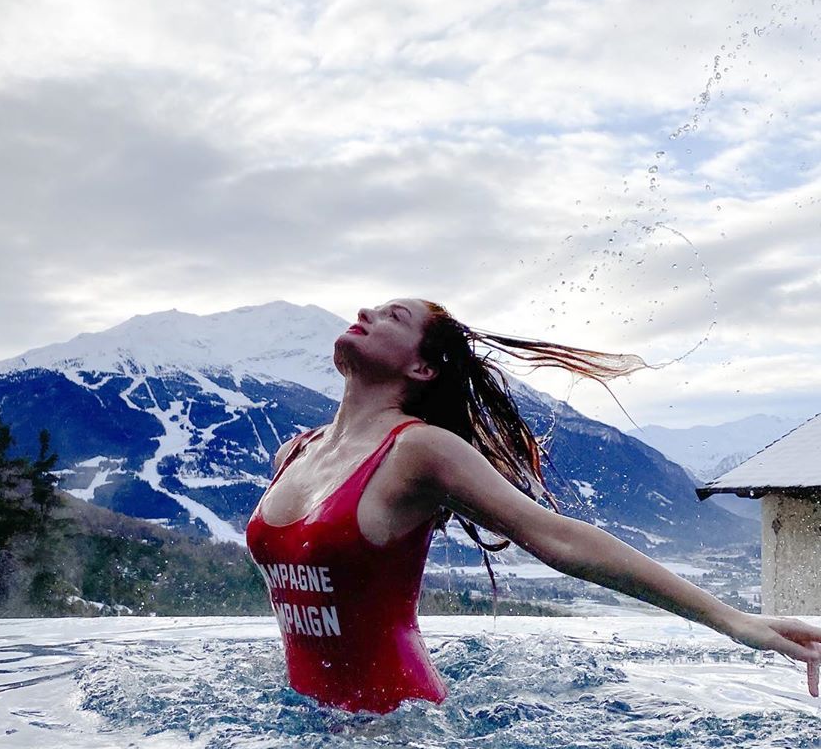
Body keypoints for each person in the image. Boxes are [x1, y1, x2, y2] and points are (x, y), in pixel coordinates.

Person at [245, 297, 821, 714]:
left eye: (393, 317)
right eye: (374, 308)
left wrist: (732, 620)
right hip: (308, 721)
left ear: (421, 368)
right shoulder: (296, 452)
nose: (366, 313)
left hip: (396, 732)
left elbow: (557, 537)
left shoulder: (419, 451)